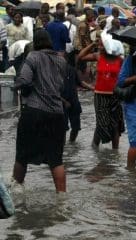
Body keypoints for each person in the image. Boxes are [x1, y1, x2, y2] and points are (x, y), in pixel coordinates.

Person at [12, 29, 67, 192]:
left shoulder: (33, 56)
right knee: (56, 159)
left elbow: (24, 80)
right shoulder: (61, 60)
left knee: (22, 155)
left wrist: (15, 86)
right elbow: (61, 86)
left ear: (35, 43)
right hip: (57, 114)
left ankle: (16, 193)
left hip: (34, 113)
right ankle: (62, 198)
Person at [78, 32, 125, 149]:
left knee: (115, 124)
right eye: (99, 45)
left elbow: (124, 76)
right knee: (101, 122)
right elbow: (81, 57)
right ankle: (95, 146)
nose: (99, 47)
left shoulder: (120, 59)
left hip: (115, 94)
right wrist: (93, 44)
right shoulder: (98, 56)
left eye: (102, 45)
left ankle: (114, 152)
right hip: (100, 95)